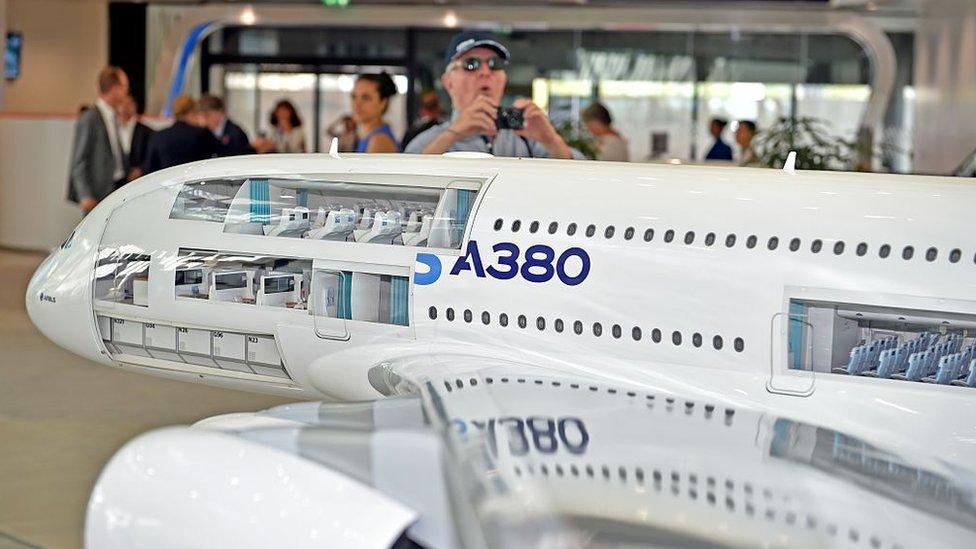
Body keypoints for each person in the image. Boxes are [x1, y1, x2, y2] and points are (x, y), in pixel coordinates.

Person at [405, 31, 582, 159]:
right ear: (448, 82)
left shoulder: (527, 138)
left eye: (494, 64)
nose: (485, 72)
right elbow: (405, 187)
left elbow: (580, 181)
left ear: (503, 80)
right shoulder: (428, 141)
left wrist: (550, 139)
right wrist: (453, 134)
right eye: (471, 64)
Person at [67, 66, 130, 214]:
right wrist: (85, 196)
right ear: (115, 89)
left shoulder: (113, 116)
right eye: (124, 87)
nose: (127, 92)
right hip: (97, 194)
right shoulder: (90, 118)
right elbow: (79, 162)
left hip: (116, 187)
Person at [142, 94, 221, 174]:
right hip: (197, 182)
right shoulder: (202, 134)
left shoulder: (158, 137)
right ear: (192, 112)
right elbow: (220, 157)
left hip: (167, 184)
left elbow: (148, 170)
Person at [351, 73, 399, 153]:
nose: (357, 104)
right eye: (354, 97)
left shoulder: (379, 141)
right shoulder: (368, 137)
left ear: (383, 102)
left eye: (366, 98)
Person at [116, 95, 153, 183]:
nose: (125, 107)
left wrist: (141, 169)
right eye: (121, 103)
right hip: (115, 181)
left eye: (128, 103)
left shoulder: (146, 131)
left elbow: (151, 156)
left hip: (139, 180)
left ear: (135, 106)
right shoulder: (112, 130)